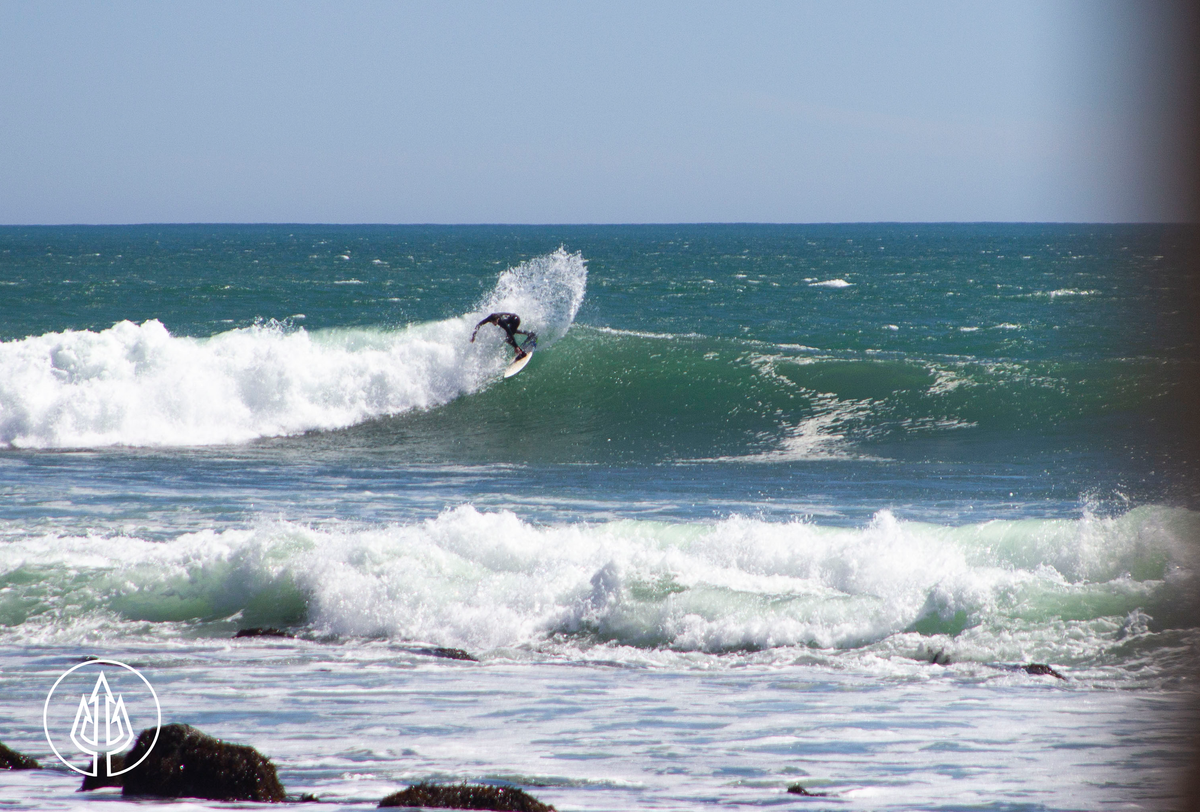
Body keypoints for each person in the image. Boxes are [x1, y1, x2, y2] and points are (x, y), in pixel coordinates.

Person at [470, 312, 536, 360]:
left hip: (516, 320)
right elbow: (478, 325)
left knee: (508, 338)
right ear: (491, 320)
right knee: (512, 331)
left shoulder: (501, 321)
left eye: (497, 321)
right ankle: (529, 334)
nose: (496, 323)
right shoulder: (489, 318)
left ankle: (522, 353)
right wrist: (473, 336)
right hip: (513, 318)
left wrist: (515, 346)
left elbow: (509, 333)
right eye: (495, 322)